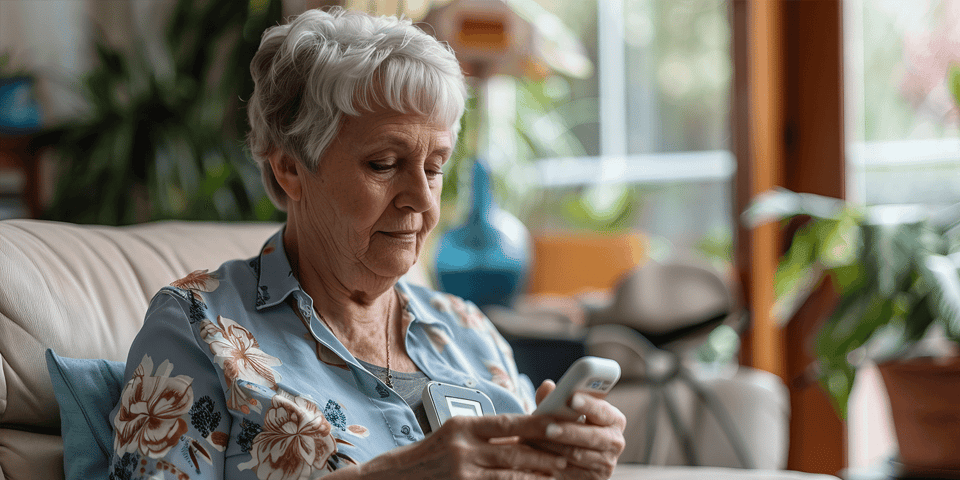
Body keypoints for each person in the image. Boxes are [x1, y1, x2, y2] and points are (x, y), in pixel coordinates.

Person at [108, 7, 625, 480]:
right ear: (290, 166)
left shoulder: (470, 332)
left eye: (435, 167)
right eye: (384, 164)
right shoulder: (198, 328)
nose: (421, 199)